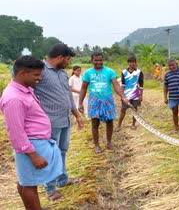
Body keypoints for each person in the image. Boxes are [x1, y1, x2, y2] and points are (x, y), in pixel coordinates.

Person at [0, 56, 63, 209]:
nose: (40, 78)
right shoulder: (14, 98)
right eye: (36, 75)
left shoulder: (25, 90)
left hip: (35, 143)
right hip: (30, 146)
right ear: (22, 74)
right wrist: (33, 155)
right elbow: (16, 132)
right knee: (29, 185)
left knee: (25, 181)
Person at [34, 43, 84, 201]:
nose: (69, 63)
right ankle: (50, 189)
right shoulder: (39, 70)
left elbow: (67, 94)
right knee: (50, 154)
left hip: (65, 119)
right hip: (49, 122)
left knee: (62, 151)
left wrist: (76, 113)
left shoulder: (62, 73)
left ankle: (62, 179)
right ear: (60, 57)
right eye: (68, 59)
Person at [78, 52, 129, 153]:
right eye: (96, 60)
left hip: (107, 99)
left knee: (109, 122)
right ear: (92, 61)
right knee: (95, 123)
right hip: (94, 100)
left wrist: (123, 97)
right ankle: (96, 145)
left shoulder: (109, 71)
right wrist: (80, 103)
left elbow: (116, 85)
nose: (98, 62)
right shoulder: (88, 73)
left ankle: (109, 142)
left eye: (100, 60)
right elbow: (83, 88)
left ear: (103, 60)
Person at [116, 55, 144, 131]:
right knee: (123, 110)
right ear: (128, 63)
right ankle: (118, 125)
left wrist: (141, 95)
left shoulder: (139, 72)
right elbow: (123, 85)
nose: (132, 64)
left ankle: (133, 124)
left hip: (135, 94)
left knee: (135, 110)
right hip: (126, 95)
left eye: (133, 62)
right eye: (130, 62)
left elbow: (141, 85)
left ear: (135, 63)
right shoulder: (124, 72)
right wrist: (122, 96)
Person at [164, 58, 179, 131]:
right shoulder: (167, 74)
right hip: (172, 97)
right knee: (175, 113)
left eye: (173, 65)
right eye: (169, 65)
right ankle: (176, 128)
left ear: (176, 64)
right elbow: (165, 86)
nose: (171, 67)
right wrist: (165, 97)